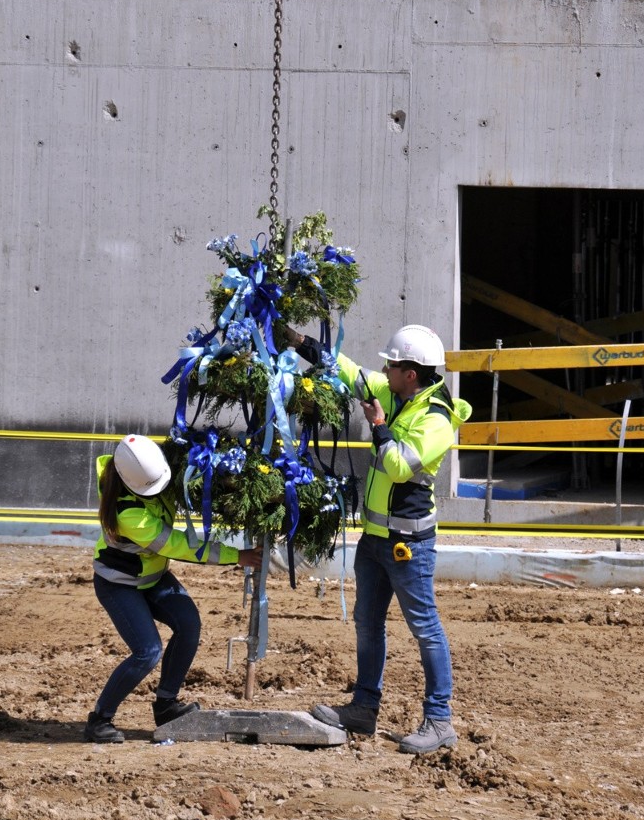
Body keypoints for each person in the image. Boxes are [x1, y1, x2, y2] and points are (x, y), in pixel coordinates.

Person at [287, 322, 470, 754]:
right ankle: (364, 708)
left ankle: (439, 720)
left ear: (411, 373)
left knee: (425, 629)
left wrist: (381, 427)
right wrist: (300, 343)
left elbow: (399, 467)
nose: (383, 370)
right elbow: (349, 373)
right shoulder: (393, 391)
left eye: (391, 366)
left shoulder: (437, 419)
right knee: (368, 625)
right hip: (374, 540)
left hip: (409, 546)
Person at [85, 432, 261, 744]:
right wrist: (237, 556)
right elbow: (177, 545)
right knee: (147, 651)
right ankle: (100, 719)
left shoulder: (155, 470)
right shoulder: (127, 513)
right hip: (119, 584)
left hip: (152, 576)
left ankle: (166, 704)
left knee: (188, 624)